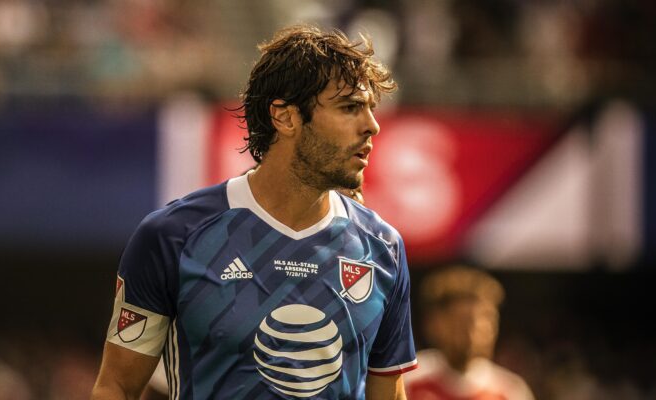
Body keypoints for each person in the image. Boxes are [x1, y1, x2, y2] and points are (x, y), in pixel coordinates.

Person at [91, 24, 417, 399]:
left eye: (371, 109)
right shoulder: (174, 236)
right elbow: (116, 386)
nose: (372, 125)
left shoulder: (383, 248)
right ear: (285, 117)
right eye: (349, 107)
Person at [404, 266, 534, 400]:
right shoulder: (408, 381)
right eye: (462, 322)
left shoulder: (510, 391)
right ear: (435, 325)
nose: (472, 333)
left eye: (486, 320)